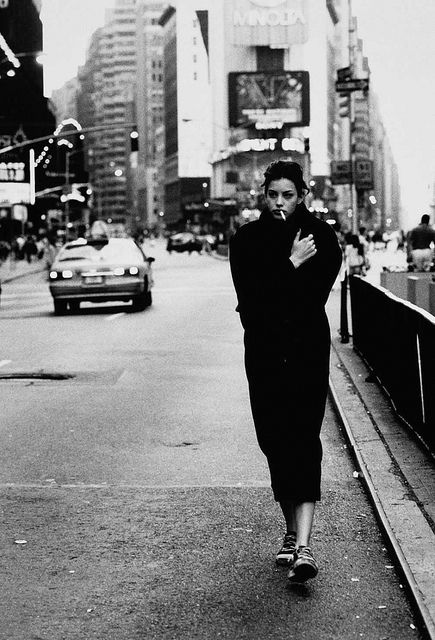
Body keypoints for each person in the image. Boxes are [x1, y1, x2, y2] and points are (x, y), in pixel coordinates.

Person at [229, 160, 342, 584]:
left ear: (302, 195)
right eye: (273, 195)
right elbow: (250, 302)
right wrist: (290, 263)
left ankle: (306, 546)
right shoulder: (247, 239)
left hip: (307, 351)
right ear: (264, 194)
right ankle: (291, 532)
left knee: (303, 438)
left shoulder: (323, 237)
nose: (280, 203)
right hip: (262, 352)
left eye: (288, 196)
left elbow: (310, 298)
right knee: (274, 441)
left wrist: (279, 280)